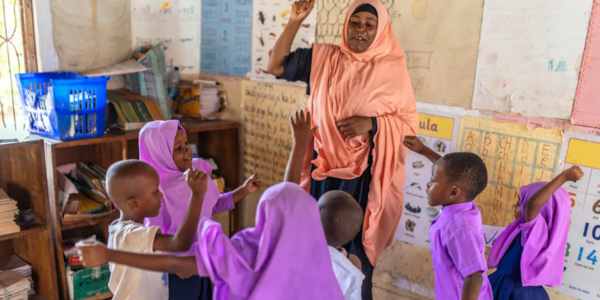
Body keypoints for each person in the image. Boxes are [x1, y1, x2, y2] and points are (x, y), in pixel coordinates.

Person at [268, 0, 419, 297]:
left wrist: (373, 124)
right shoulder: (325, 58)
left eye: (369, 24)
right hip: (322, 171)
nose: (360, 30)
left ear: (380, 29)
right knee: (314, 249)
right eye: (355, 22)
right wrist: (295, 21)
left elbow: (408, 125)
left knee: (356, 262)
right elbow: (276, 66)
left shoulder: (392, 68)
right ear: (346, 23)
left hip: (364, 179)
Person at [139, 120, 262, 300]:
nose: (188, 150)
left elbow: (212, 205)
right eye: (178, 148)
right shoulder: (156, 191)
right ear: (160, 154)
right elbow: (152, 238)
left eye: (186, 143)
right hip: (176, 272)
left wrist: (243, 190)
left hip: (201, 257)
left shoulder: (194, 173)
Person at [102, 159, 209, 300]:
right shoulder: (134, 235)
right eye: (155, 192)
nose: (161, 195)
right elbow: (180, 243)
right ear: (134, 203)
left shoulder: (121, 231)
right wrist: (197, 195)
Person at [287, 110, 364, 300]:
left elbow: (287, 192)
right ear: (354, 233)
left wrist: (299, 145)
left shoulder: (294, 245)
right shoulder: (352, 268)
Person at [403, 136, 493, 300]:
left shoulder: (458, 227)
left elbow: (475, 276)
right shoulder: (464, 203)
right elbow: (450, 174)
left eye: (433, 181)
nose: (428, 185)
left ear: (453, 192)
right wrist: (424, 150)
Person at [487, 166, 583, 300]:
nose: (514, 207)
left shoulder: (536, 232)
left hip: (514, 293)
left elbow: (532, 204)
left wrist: (564, 177)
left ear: (542, 211)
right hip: (513, 288)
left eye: (519, 204)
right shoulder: (525, 231)